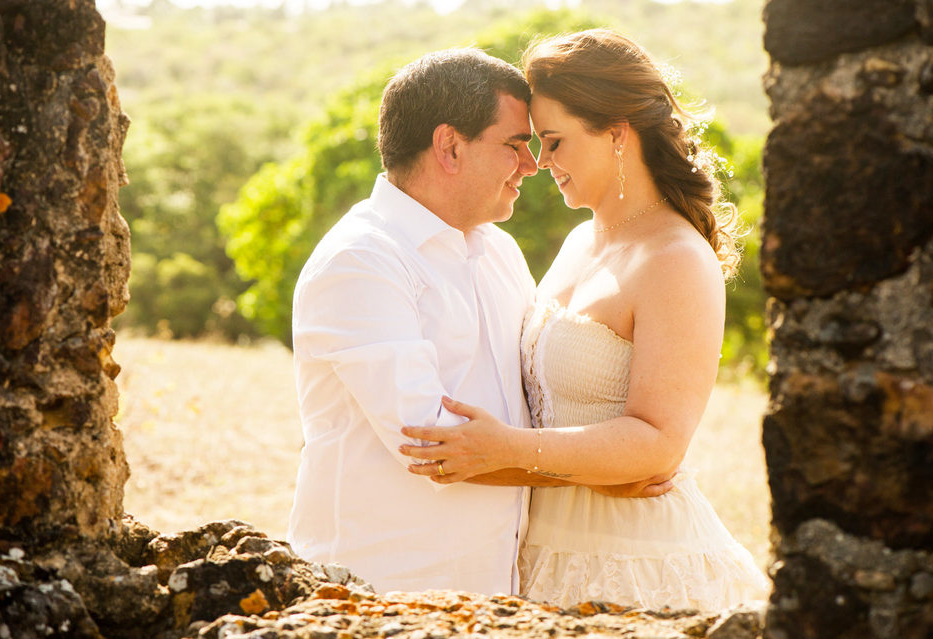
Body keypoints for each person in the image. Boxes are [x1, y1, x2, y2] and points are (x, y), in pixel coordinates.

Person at [399, 30, 768, 611]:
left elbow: (658, 445)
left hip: (636, 560)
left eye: (554, 141)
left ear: (617, 134)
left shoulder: (675, 258)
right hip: (538, 551)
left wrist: (509, 449)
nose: (540, 163)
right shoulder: (578, 241)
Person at [287, 47, 670, 596]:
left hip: (497, 591)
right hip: (382, 589)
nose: (533, 165)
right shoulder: (360, 262)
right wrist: (603, 473)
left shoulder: (499, 250)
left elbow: (530, 405)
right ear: (450, 147)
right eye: (515, 145)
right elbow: (437, 448)